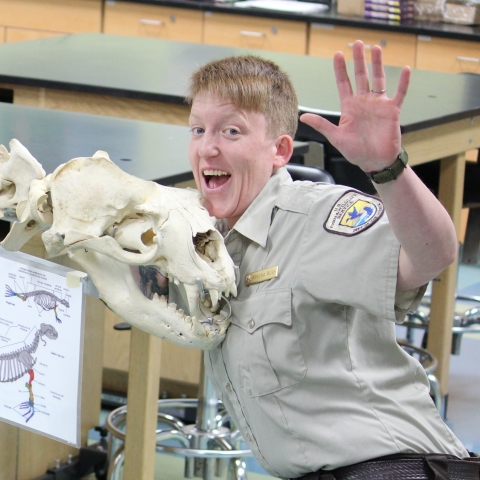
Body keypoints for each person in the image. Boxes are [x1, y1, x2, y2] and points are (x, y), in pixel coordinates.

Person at [182, 42, 480, 480]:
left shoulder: (317, 219)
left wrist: (387, 169)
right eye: (197, 130)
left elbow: (432, 255)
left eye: (231, 132)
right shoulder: (207, 235)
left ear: (280, 151)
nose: (207, 148)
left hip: (394, 469)